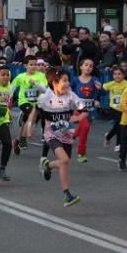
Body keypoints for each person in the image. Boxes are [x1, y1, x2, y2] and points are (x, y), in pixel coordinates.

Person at [23, 67, 85, 207]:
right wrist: (30, 126)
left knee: (65, 162)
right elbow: (35, 112)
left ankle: (48, 165)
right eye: (64, 80)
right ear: (54, 82)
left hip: (66, 133)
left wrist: (78, 116)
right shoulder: (45, 98)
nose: (68, 83)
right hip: (51, 133)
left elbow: (83, 109)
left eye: (68, 80)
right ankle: (67, 195)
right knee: (64, 161)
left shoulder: (71, 95)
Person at [70, 58, 102, 164]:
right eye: (86, 65)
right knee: (86, 127)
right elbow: (69, 92)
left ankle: (71, 135)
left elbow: (99, 92)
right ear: (81, 66)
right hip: (77, 109)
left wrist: (97, 99)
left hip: (88, 109)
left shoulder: (94, 79)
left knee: (82, 127)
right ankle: (81, 153)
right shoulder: (75, 80)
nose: (88, 67)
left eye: (91, 66)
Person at [102, 66, 127, 149]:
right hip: (114, 108)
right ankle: (118, 145)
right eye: (115, 74)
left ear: (124, 75)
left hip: (124, 108)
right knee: (119, 125)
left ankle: (108, 136)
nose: (117, 76)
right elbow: (103, 87)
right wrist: (99, 87)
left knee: (120, 126)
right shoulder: (111, 84)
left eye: (119, 74)